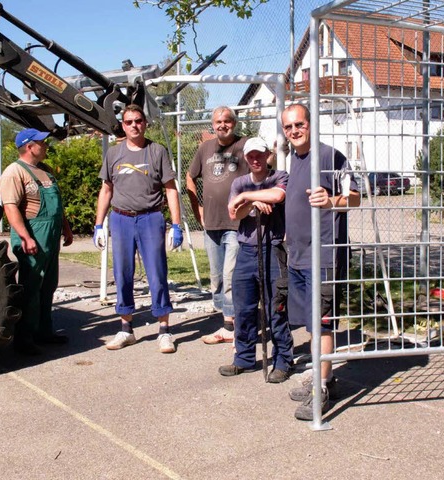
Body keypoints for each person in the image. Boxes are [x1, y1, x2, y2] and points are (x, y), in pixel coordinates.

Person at [282, 104, 360, 420]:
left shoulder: (331, 156)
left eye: (299, 124)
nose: (294, 131)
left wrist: (331, 201)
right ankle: (323, 375)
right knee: (312, 322)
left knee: (324, 321)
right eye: (288, 127)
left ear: (310, 124)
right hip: (299, 255)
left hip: (324, 255)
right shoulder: (294, 159)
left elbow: (355, 197)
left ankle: (323, 389)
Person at [93, 104, 183, 353]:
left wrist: (175, 225)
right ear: (123, 125)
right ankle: (126, 329)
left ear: (145, 123)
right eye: (129, 121)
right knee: (122, 273)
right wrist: (99, 224)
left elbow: (170, 189)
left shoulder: (157, 151)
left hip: (150, 218)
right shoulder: (113, 154)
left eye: (138, 121)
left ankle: (164, 330)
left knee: (157, 274)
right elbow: (106, 189)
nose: (134, 125)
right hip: (121, 219)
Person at [218, 137, 294, 383]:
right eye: (250, 156)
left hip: (272, 249)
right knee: (245, 308)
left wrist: (248, 197)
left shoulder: (279, 176)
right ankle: (244, 358)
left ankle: (283, 360)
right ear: (245, 158)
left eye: (259, 154)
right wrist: (252, 200)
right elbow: (235, 212)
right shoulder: (240, 182)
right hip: (247, 251)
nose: (255, 159)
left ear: (267, 155)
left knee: (276, 308)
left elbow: (278, 196)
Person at [0, 128, 73, 355]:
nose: (46, 145)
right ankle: (24, 338)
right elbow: (10, 207)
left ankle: (45, 331)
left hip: (50, 236)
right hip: (33, 234)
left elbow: (57, 206)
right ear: (29, 146)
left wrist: (66, 228)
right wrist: (25, 236)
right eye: (42, 142)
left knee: (48, 285)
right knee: (31, 287)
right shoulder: (14, 172)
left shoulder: (45, 171)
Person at [186, 106, 249, 344]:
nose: (222, 125)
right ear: (212, 124)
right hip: (211, 223)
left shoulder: (244, 145)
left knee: (231, 274)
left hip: (236, 223)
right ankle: (228, 320)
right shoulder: (205, 148)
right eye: (218, 121)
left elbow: (265, 162)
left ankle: (232, 327)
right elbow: (190, 176)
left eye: (227, 121)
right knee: (217, 276)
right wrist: (196, 208)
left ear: (234, 123)